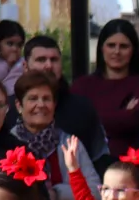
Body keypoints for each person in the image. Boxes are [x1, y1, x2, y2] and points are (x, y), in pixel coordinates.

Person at [9, 71, 101, 200]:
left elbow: (96, 192)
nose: (40, 105)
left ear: (55, 105)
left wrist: (58, 194)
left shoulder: (70, 144)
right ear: (19, 105)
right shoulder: (8, 144)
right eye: (33, 98)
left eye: (46, 99)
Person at [10, 36, 109, 166]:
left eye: (54, 60)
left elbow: (100, 157)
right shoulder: (8, 108)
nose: (49, 66)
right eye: (41, 60)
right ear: (25, 66)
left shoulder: (82, 108)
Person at [71, 20, 139, 159]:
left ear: (133, 50)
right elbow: (77, 123)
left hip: (129, 167)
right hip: (88, 163)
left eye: (123, 46)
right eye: (111, 45)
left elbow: (133, 122)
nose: (117, 52)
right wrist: (122, 114)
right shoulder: (81, 86)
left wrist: (93, 117)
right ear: (101, 48)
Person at [0, 19, 25, 95]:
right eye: (10, 44)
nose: (15, 49)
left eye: (19, 45)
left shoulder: (24, 63)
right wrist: (7, 64)